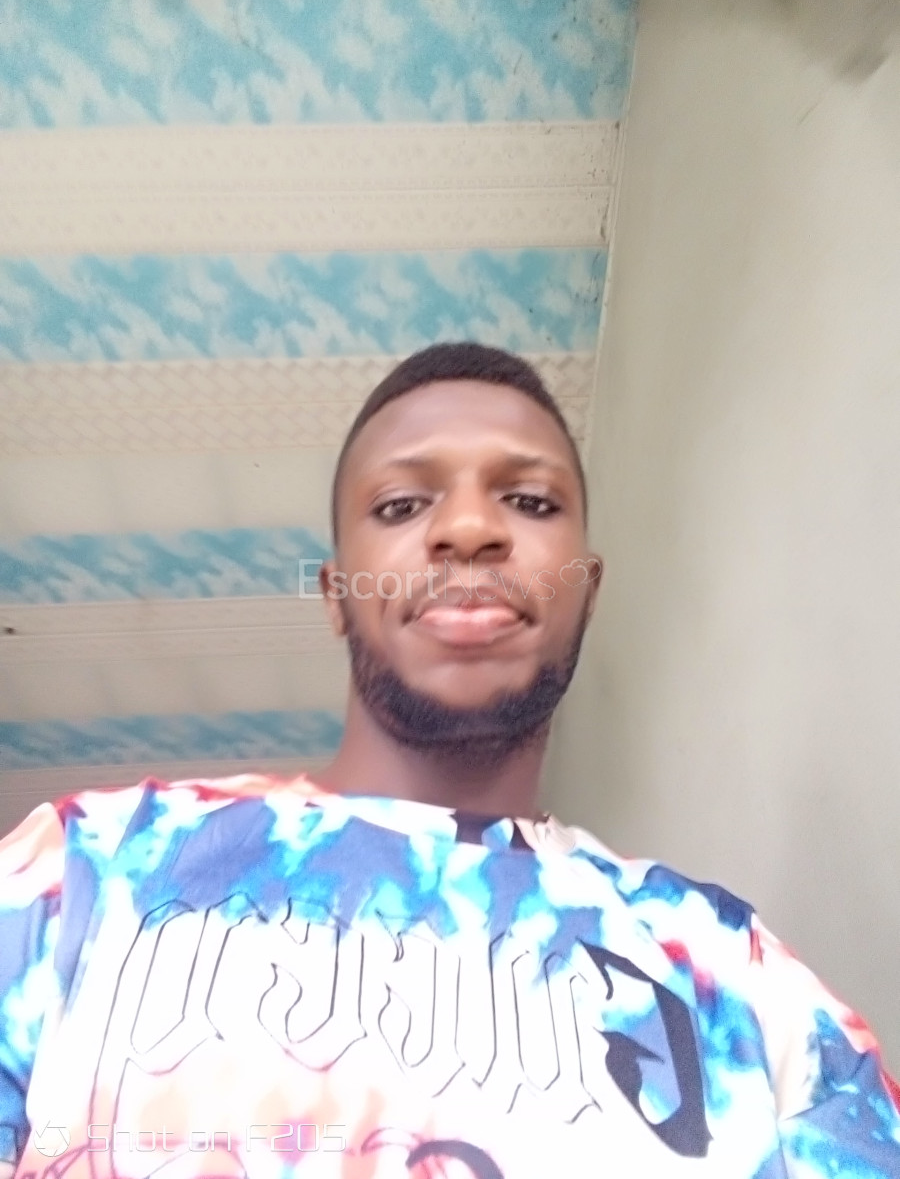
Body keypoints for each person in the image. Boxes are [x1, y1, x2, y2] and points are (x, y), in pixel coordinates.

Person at [1, 343, 898, 1179]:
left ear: (586, 592)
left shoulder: (737, 979)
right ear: (337, 593)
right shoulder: (83, 870)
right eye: (401, 506)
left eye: (531, 502)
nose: (468, 529)